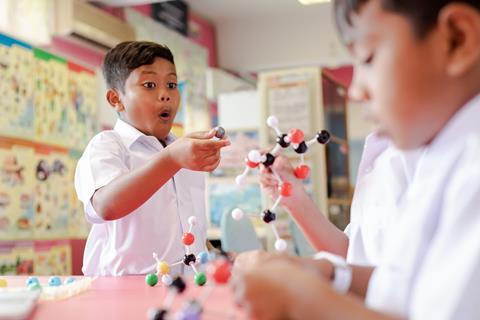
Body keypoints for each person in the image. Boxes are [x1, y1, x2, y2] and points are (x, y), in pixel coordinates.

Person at [234, 0, 480, 319]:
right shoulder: (442, 155)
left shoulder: (469, 166)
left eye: (367, 57)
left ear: (457, 38)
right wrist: (331, 273)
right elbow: (405, 281)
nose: (354, 90)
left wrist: (300, 295)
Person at [74, 41, 230, 276]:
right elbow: (106, 206)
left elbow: (187, 227)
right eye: (149, 85)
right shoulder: (108, 146)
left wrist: (218, 258)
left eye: (171, 84)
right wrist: (172, 159)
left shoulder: (180, 150)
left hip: (187, 288)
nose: (165, 95)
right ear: (116, 99)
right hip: (124, 295)